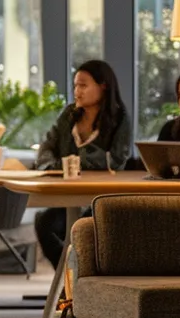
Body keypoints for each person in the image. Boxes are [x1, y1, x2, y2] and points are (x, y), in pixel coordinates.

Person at [34, 60, 134, 268]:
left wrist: (75, 162)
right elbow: (47, 146)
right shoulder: (69, 114)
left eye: (83, 85)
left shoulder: (119, 118)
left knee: (83, 229)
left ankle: (76, 277)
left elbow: (117, 160)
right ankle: (69, 275)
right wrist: (53, 166)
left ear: (103, 86)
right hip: (67, 195)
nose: (77, 91)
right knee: (44, 223)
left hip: (99, 199)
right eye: (75, 86)